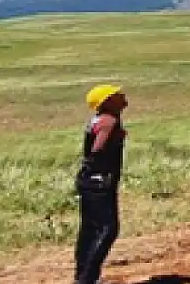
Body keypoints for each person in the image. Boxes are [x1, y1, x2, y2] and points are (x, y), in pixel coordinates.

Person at [75, 84, 127, 284]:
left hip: (89, 180)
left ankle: (83, 277)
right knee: (107, 229)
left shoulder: (101, 119)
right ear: (107, 102)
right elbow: (97, 150)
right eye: (116, 94)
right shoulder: (109, 121)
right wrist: (101, 174)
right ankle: (87, 280)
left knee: (89, 230)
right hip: (99, 181)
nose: (122, 95)